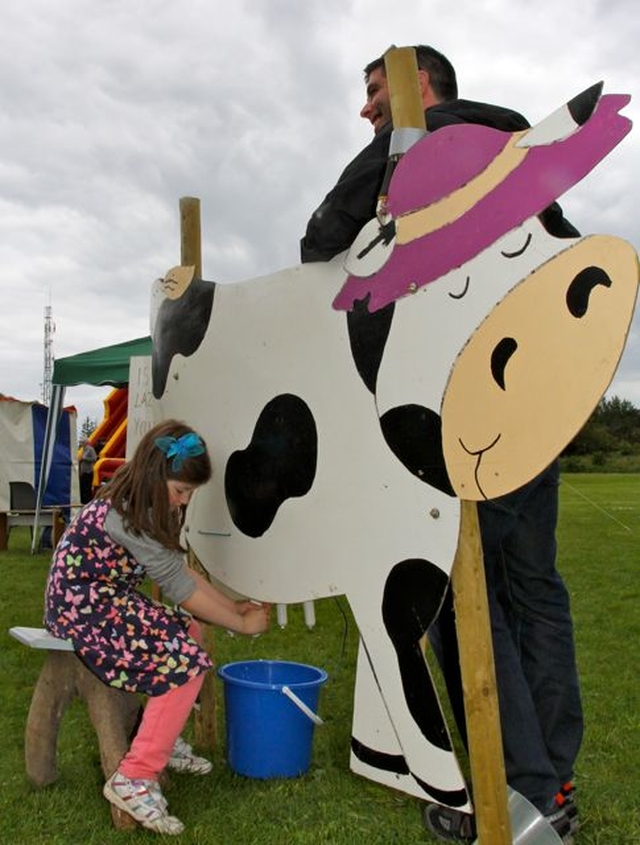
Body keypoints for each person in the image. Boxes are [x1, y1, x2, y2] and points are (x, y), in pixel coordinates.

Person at [300, 46, 582, 843]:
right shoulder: (519, 150)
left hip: (466, 406)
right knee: (535, 590)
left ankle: (520, 794)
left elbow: (318, 240)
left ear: (417, 87)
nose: (367, 112)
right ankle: (553, 774)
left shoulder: (415, 143)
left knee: (464, 603)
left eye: (374, 94)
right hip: (538, 399)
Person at [45, 419, 271, 835]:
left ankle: (158, 743)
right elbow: (181, 587)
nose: (183, 501)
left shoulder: (139, 502)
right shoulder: (128, 515)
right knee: (184, 662)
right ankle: (135, 775)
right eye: (181, 491)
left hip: (103, 598)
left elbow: (178, 572)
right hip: (82, 608)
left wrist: (233, 609)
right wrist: (239, 623)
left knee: (189, 634)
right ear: (155, 475)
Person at [78, 436, 98, 503]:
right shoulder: (83, 449)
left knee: (87, 488)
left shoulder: (90, 449)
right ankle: (83, 501)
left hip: (88, 472)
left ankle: (88, 501)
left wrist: (84, 459)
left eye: (81, 442)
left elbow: (94, 458)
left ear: (85, 443)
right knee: (82, 487)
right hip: (83, 472)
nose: (80, 443)